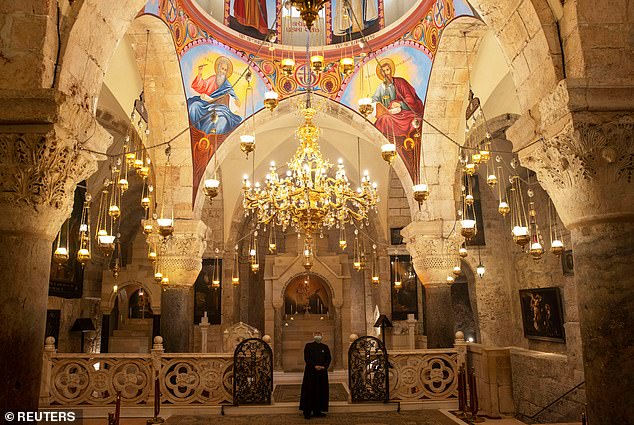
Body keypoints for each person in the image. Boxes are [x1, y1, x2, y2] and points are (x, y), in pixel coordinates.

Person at [187, 56, 242, 135]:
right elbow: (202, 86)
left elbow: (234, 97)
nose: (223, 71)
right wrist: (200, 73)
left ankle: (208, 134)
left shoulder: (227, 85)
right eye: (222, 68)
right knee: (194, 106)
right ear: (218, 68)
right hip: (206, 104)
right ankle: (194, 131)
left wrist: (235, 100)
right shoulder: (213, 78)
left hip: (220, 107)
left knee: (221, 118)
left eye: (225, 70)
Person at [371, 58, 424, 138]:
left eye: (387, 70)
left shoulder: (400, 82)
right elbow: (374, 100)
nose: (386, 73)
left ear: (391, 70)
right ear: (381, 74)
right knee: (382, 120)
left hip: (403, 113)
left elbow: (411, 100)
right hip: (389, 114)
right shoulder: (381, 88)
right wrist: (377, 106)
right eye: (383, 71)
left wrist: (400, 104)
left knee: (413, 120)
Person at [299, 331, 331, 419]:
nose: (318, 336)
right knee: (309, 390)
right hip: (311, 373)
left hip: (322, 373)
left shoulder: (325, 347)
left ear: (322, 336)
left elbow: (328, 358)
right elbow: (307, 358)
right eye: (316, 334)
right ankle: (307, 412)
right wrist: (314, 366)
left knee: (321, 391)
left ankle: (318, 411)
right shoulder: (308, 346)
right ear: (313, 336)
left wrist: (324, 366)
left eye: (319, 334)